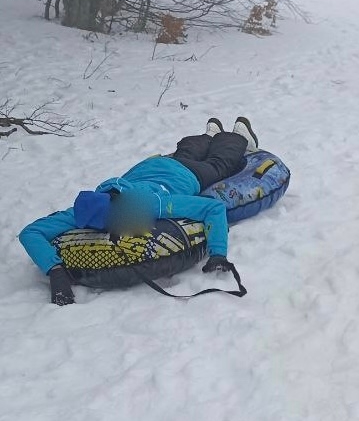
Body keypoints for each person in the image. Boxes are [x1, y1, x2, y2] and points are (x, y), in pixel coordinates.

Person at [19, 117, 259, 306]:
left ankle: (238, 137)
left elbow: (213, 207)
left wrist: (218, 253)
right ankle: (209, 135)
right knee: (184, 153)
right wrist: (55, 269)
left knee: (219, 164)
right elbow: (30, 233)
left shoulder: (147, 204)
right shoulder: (82, 211)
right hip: (150, 166)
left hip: (186, 174)